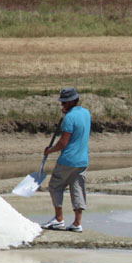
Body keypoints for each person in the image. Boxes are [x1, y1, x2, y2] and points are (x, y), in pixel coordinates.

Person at [42, 87, 91, 232]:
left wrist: (49, 151)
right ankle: (77, 223)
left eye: (64, 103)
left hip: (68, 159)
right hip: (82, 160)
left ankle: (58, 219)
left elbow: (63, 142)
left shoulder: (69, 118)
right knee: (77, 189)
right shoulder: (86, 113)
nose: (62, 106)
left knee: (55, 186)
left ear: (72, 101)